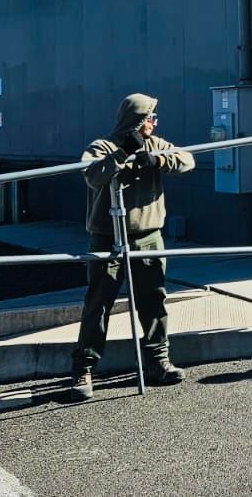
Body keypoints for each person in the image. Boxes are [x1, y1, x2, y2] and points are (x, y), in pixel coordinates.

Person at [68, 94, 194, 399]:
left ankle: (157, 362)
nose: (155, 123)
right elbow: (92, 175)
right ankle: (84, 370)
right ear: (137, 121)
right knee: (98, 303)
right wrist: (125, 152)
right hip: (107, 238)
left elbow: (188, 160)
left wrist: (159, 159)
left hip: (148, 236)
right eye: (151, 118)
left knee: (153, 300)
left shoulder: (157, 145)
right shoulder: (103, 146)